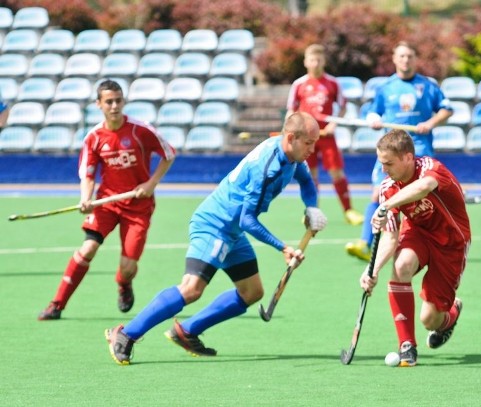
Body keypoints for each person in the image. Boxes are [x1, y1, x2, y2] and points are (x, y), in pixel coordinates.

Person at [105, 112, 328, 365]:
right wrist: (283, 248)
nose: (313, 148)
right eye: (309, 143)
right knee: (191, 289)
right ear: (291, 137)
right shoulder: (266, 168)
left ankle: (186, 331)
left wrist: (311, 207)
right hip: (215, 224)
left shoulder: (293, 156)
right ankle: (125, 334)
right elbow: (248, 220)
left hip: (232, 230)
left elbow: (307, 182)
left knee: (251, 291)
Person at [38, 79, 176, 321]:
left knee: (128, 267)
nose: (114, 106)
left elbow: (169, 154)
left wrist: (151, 184)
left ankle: (124, 284)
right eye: (109, 102)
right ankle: (56, 304)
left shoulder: (140, 130)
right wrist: (85, 198)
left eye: (118, 101)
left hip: (139, 207)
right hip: (107, 204)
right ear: (99, 104)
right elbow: (88, 174)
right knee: (87, 248)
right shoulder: (94, 138)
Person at [359, 129, 470, 367]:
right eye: (381, 163)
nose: (383, 170)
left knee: (430, 320)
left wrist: (387, 205)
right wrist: (373, 270)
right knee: (401, 266)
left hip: (451, 242)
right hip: (418, 233)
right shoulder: (388, 187)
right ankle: (406, 345)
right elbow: (389, 238)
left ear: (408, 157)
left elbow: (424, 187)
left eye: (388, 163)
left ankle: (451, 315)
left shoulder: (431, 167)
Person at [346, 41, 453, 261]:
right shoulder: (386, 88)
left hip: (419, 149)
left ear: (415, 59)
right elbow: (374, 113)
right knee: (378, 193)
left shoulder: (428, 86)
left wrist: (431, 123)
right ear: (394, 59)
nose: (406, 60)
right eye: (402, 56)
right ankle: (365, 244)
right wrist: (374, 120)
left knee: (423, 195)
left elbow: (446, 109)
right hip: (390, 152)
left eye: (410, 56)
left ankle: (434, 240)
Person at [286, 44, 364, 226]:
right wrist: (292, 128)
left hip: (327, 136)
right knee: (310, 175)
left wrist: (333, 124)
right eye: (312, 59)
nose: (315, 63)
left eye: (319, 59)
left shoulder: (333, 83)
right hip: (306, 138)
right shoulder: (299, 84)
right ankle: (312, 212)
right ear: (306, 62)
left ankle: (348, 210)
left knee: (336, 172)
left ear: (324, 61)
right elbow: (291, 109)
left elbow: (343, 107)